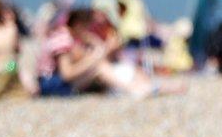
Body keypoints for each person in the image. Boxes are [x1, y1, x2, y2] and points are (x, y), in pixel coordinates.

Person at [36, 8, 165, 98]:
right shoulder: (63, 39)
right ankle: (134, 89)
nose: (88, 30)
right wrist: (96, 57)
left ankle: (140, 88)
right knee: (99, 67)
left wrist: (93, 44)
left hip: (52, 81)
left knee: (101, 66)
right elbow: (67, 73)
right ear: (79, 24)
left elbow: (82, 59)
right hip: (52, 83)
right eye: (87, 27)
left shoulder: (69, 38)